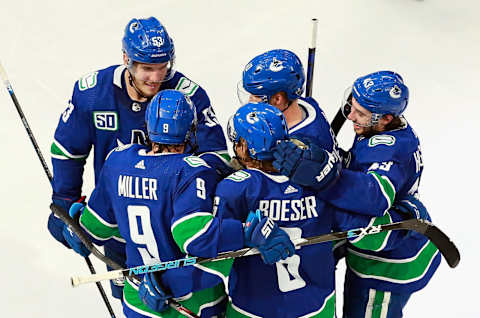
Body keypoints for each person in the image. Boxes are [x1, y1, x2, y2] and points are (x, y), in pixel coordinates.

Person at [61, 90, 295, 317]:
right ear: (191, 131)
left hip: (140, 301)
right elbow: (195, 237)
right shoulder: (191, 171)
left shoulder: (117, 160)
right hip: (196, 302)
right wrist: (245, 233)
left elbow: (95, 228)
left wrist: (77, 227)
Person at [48, 16, 228, 299]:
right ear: (126, 59)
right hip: (114, 222)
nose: (156, 78)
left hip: (176, 232)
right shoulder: (92, 93)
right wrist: (65, 201)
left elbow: (219, 161)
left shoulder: (189, 96)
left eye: (162, 67)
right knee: (130, 303)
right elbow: (68, 151)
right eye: (147, 68)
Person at [215, 102, 425, 317]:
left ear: (246, 147)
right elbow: (369, 234)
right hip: (317, 307)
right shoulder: (318, 189)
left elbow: (210, 246)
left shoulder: (233, 188)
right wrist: (408, 214)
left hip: (251, 307)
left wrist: (240, 233)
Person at [273, 71, 441, 317]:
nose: (350, 115)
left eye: (360, 113)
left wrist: (324, 176)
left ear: (386, 118)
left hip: (386, 264)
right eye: (352, 105)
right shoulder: (380, 131)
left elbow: (376, 197)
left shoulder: (390, 150)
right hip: (369, 250)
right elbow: (358, 168)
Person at [237, 48, 341, 190]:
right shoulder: (307, 104)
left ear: (278, 99)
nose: (250, 101)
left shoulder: (291, 149)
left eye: (255, 96)